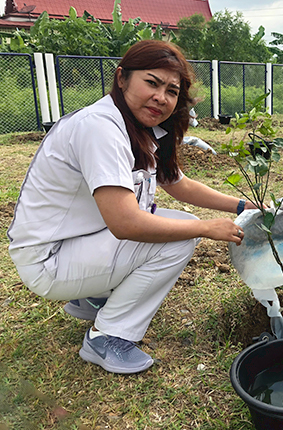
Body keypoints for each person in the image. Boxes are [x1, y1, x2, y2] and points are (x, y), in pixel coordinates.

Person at [7, 40, 256, 374]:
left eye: (172, 91)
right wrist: (204, 229)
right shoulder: (100, 128)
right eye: (151, 83)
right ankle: (107, 336)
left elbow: (177, 184)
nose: (162, 98)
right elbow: (126, 224)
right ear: (122, 78)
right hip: (51, 259)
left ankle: (93, 297)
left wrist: (242, 204)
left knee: (175, 221)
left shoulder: (135, 127)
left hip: (76, 243)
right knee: (180, 235)